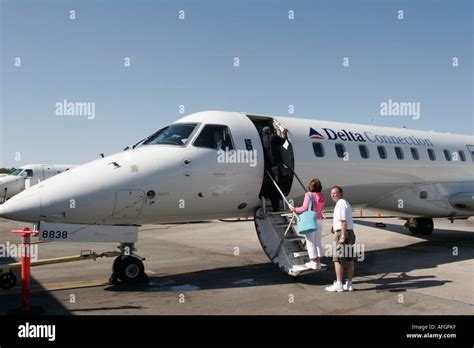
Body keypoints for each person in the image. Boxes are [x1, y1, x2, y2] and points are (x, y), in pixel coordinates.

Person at [290, 178, 326, 270]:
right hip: (319, 220)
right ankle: (318, 261)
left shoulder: (308, 195)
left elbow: (304, 208)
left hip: (311, 220)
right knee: (318, 241)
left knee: (310, 242)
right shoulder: (321, 196)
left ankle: (313, 262)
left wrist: (294, 209)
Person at [325, 186, 356, 292]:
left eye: (335, 193)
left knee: (337, 259)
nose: (333, 195)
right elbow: (342, 220)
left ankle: (339, 284)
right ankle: (349, 284)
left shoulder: (340, 204)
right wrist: (334, 226)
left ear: (341, 193)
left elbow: (343, 221)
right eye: (331, 193)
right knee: (349, 259)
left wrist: (342, 236)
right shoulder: (345, 203)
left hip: (344, 233)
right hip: (349, 232)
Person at [260, 126, 288, 211]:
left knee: (269, 185)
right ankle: (276, 206)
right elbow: (283, 141)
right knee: (276, 185)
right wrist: (284, 134)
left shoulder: (260, 139)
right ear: (269, 131)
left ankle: (265, 197)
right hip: (275, 165)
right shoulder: (273, 137)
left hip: (266, 166)